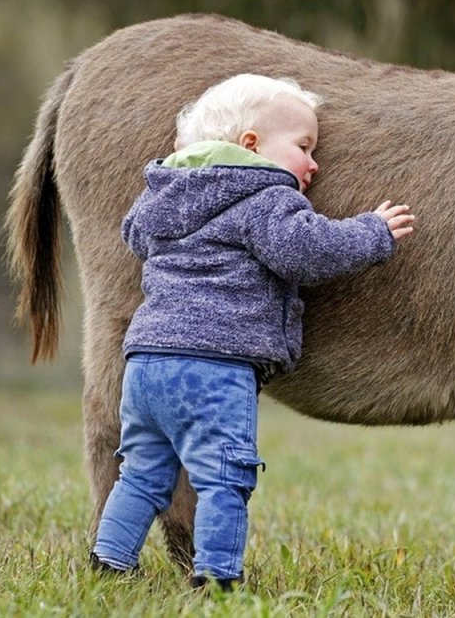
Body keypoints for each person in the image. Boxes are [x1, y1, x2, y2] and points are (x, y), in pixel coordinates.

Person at [90, 73, 414, 589]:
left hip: (146, 363)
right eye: (304, 147)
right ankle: (218, 578)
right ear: (251, 146)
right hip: (213, 368)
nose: (314, 163)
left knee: (144, 474)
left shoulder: (165, 195)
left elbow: (135, 233)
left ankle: (108, 560)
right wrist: (371, 232)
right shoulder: (265, 196)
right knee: (224, 478)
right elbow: (306, 250)